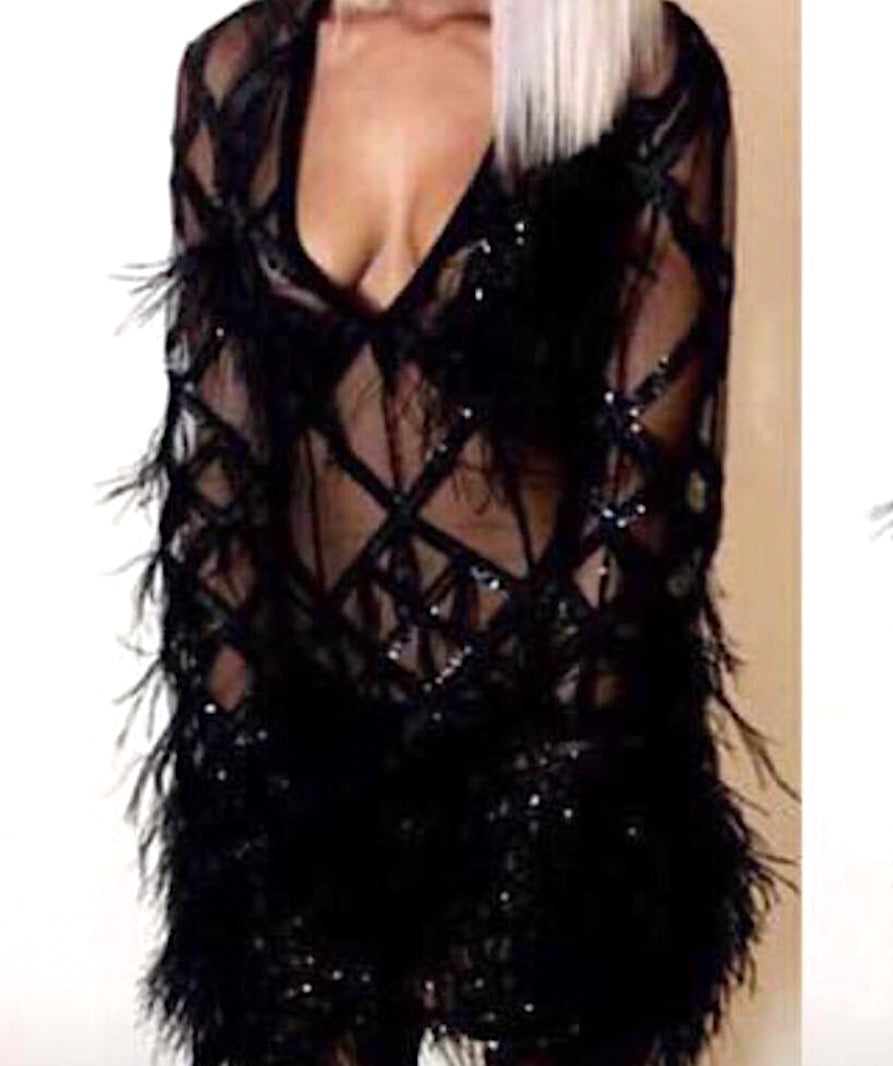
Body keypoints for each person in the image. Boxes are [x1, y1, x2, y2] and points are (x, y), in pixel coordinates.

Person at [106, 1, 798, 1064]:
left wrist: (546, 817)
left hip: (565, 730)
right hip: (313, 750)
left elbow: (644, 484)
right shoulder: (239, 73)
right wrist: (252, 803)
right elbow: (218, 476)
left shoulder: (633, 67)